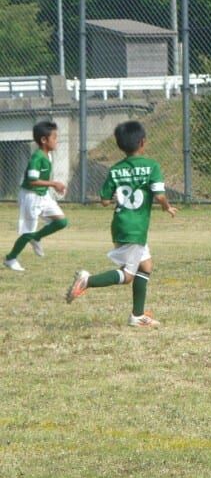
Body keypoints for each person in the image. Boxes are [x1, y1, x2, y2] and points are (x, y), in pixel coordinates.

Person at [66, 121, 177, 327]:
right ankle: (87, 280)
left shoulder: (115, 169)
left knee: (146, 266)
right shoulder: (152, 166)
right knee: (127, 275)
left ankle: (138, 315)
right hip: (135, 229)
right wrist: (166, 206)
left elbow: (105, 200)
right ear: (143, 142)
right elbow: (160, 195)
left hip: (120, 224)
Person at [4, 121, 68, 271]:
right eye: (54, 138)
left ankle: (37, 237)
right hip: (30, 197)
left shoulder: (48, 155)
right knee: (27, 231)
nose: (56, 141)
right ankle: (11, 258)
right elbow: (32, 181)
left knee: (62, 222)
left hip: (42, 195)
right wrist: (54, 184)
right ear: (44, 140)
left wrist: (52, 186)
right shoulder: (37, 158)